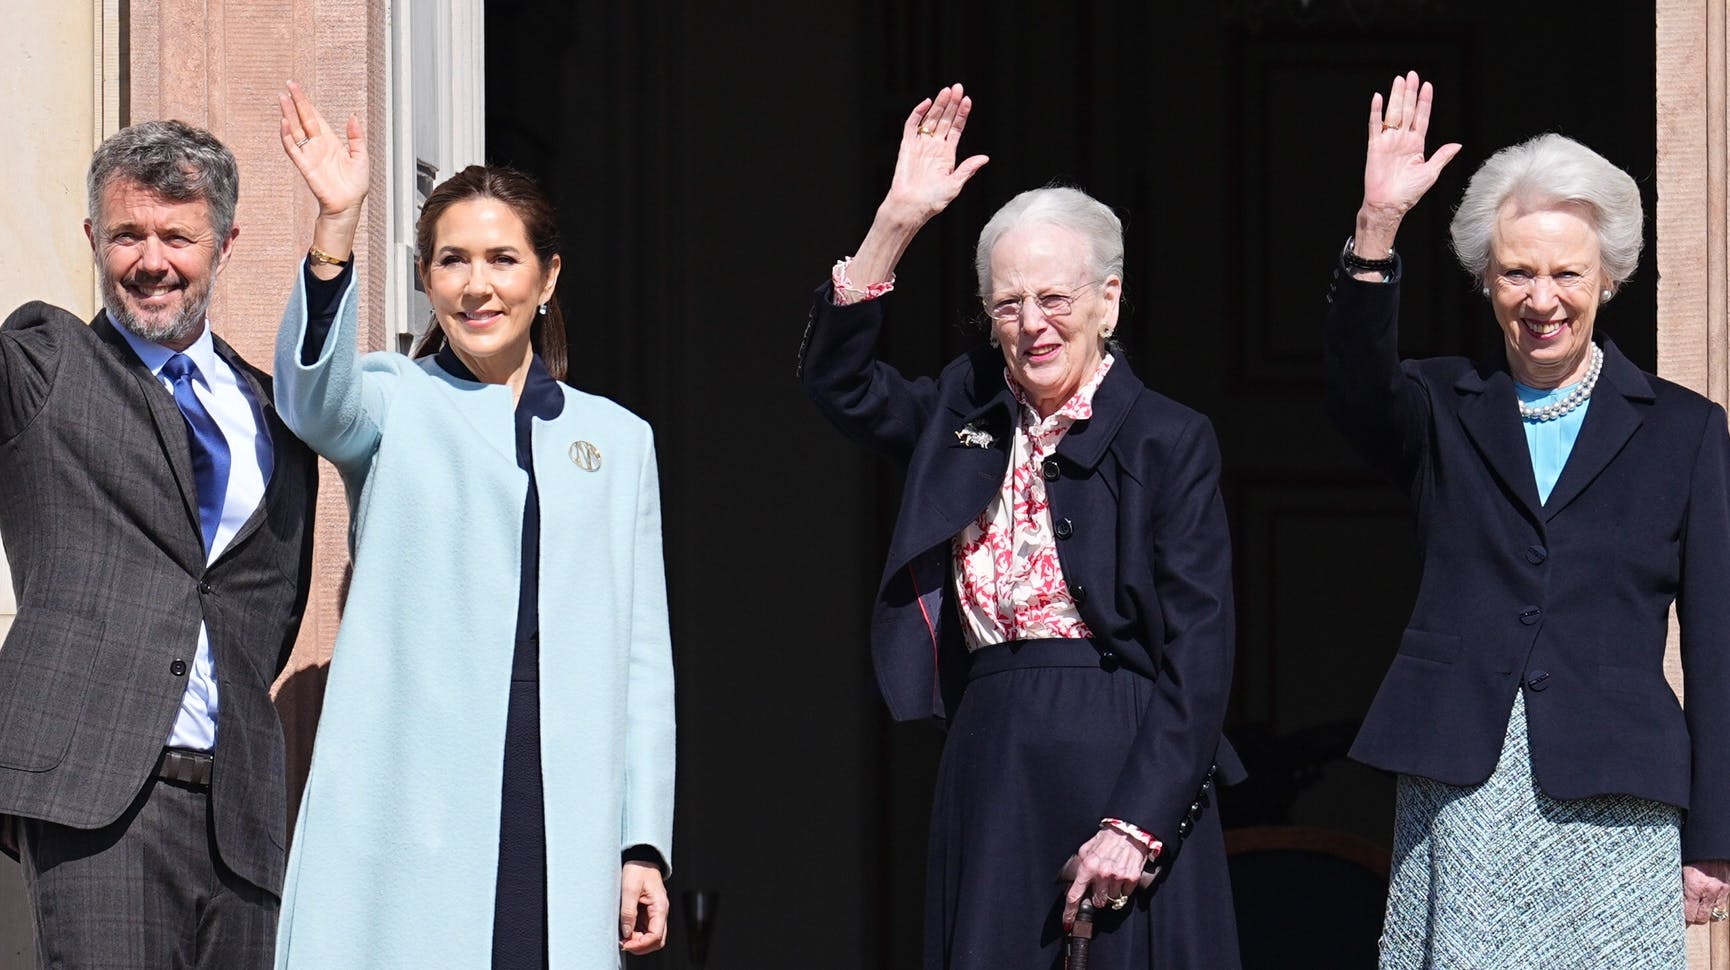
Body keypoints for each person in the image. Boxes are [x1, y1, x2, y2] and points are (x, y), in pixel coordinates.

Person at [798, 84, 1243, 969]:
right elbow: (837, 385)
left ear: (1109, 301)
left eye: (1055, 297)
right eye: (1006, 305)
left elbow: (1202, 648)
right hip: (994, 746)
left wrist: (1139, 823)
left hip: (1131, 750)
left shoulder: (1171, 438)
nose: (1031, 323)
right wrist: (894, 223)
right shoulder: (960, 408)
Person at [1326, 70, 1730, 966]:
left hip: (1618, 789)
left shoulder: (1687, 432)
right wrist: (1378, 227)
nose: (1540, 298)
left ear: (1610, 279)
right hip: (1465, 780)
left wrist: (1714, 835)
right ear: (1484, 280)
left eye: (1566, 273)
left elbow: (1716, 640)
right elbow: (1354, 388)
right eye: (1516, 272)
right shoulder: (1438, 404)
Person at [267, 84, 674, 967]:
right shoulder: (389, 400)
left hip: (559, 797)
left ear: (548, 274)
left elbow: (643, 655)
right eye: (451, 261)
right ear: (424, 278)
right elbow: (310, 401)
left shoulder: (618, 439)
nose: (477, 285)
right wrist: (335, 228)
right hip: (414, 795)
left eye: (501, 258)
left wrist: (640, 839)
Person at [0, 120, 320, 966]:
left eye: (177, 236)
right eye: (126, 235)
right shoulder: (46, 364)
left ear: (224, 242)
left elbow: (266, 611)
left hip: (241, 818)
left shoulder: (274, 413)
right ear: (92, 239)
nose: (151, 261)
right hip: (97, 794)